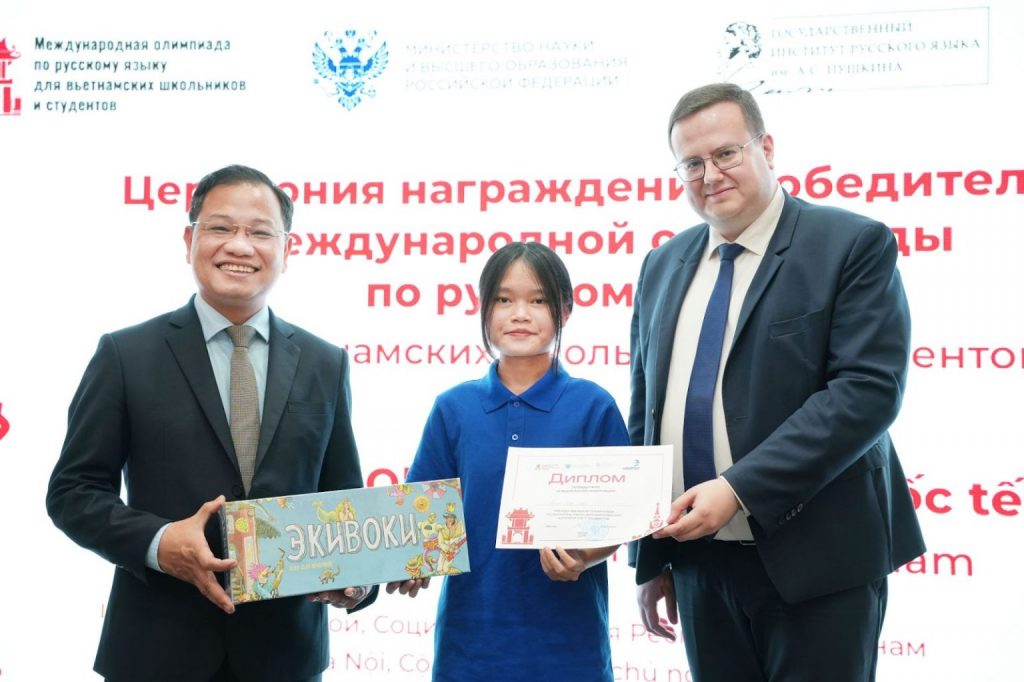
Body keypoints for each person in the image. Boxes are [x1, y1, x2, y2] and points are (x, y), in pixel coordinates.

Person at [628, 83, 925, 682]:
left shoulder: (851, 243)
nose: (710, 174)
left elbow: (866, 392)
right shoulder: (661, 264)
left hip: (820, 562)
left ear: (765, 148)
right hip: (698, 565)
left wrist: (737, 489)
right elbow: (647, 412)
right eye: (691, 163)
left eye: (725, 153)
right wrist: (650, 557)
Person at [46, 164, 376, 682]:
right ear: (189, 240)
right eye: (221, 228)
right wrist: (159, 542)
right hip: (156, 652)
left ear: (287, 249)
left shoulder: (324, 362)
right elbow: (73, 491)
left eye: (260, 232)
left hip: (284, 656)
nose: (239, 246)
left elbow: (344, 502)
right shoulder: (126, 355)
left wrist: (358, 581)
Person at [390, 242, 629, 681]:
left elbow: (622, 517)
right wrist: (409, 563)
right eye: (503, 300)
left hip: (569, 649)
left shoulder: (593, 406)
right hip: (470, 648)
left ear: (565, 311)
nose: (520, 314)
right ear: (483, 309)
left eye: (538, 300)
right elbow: (419, 521)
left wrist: (583, 556)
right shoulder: (453, 408)